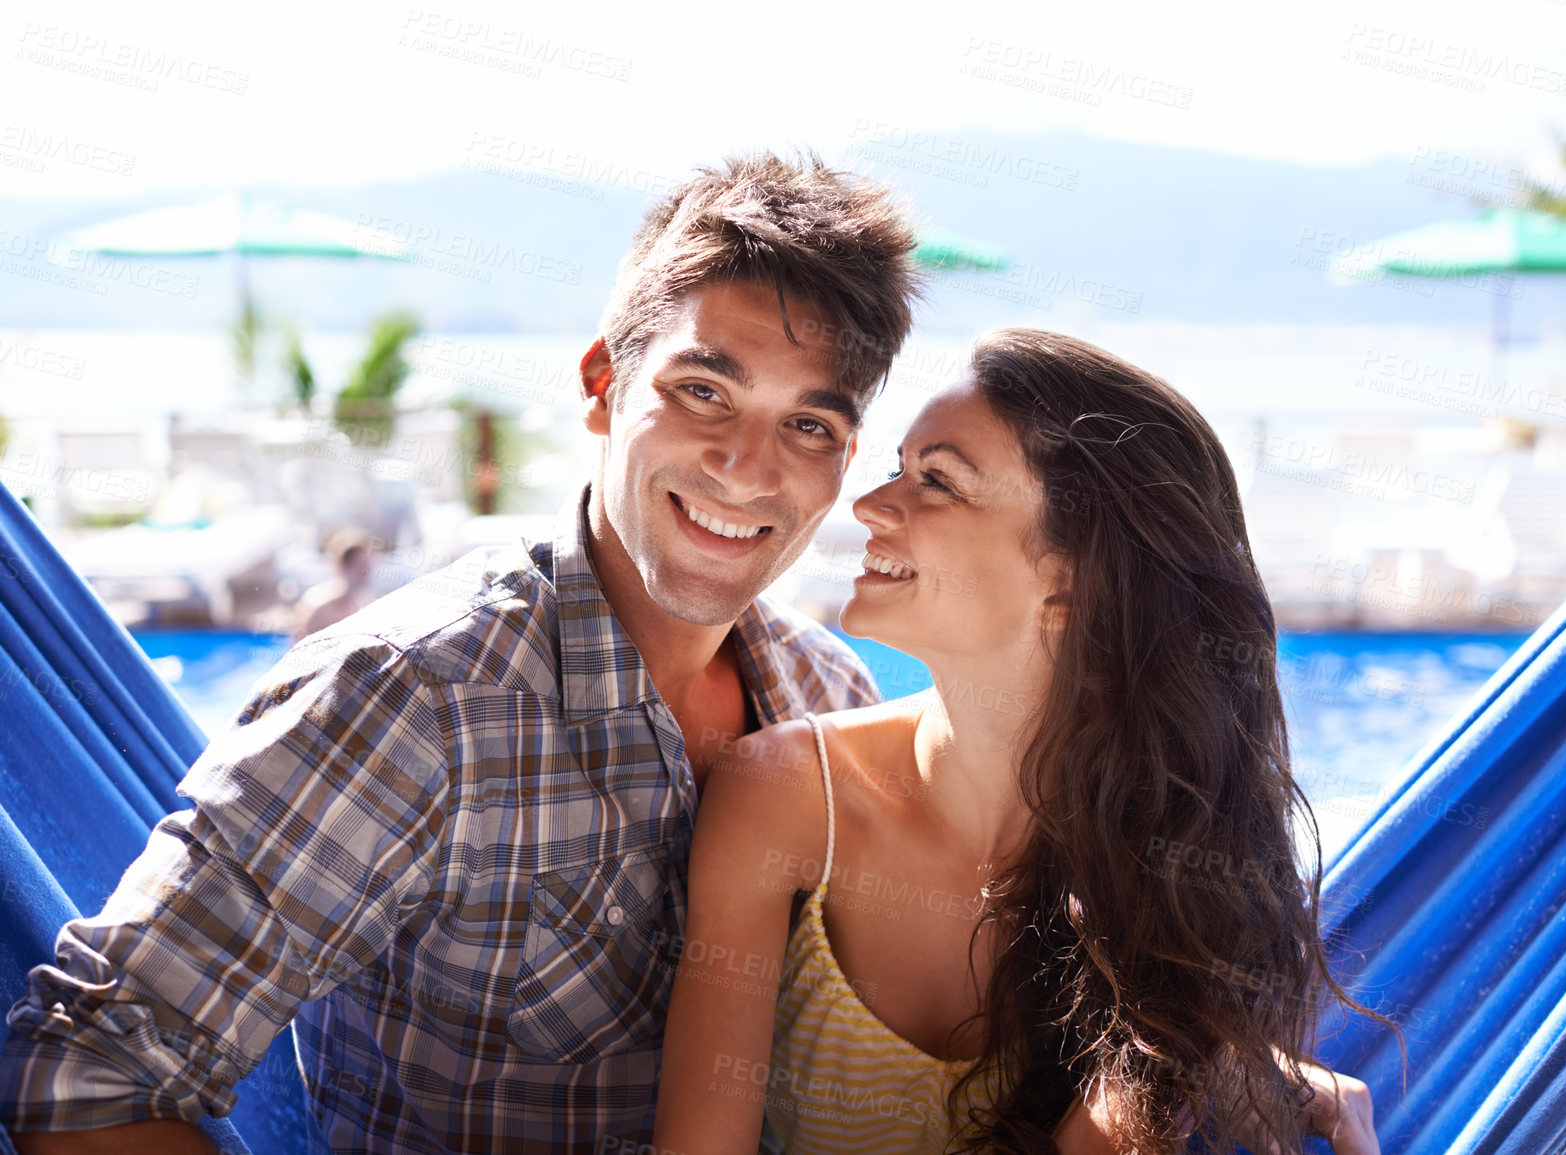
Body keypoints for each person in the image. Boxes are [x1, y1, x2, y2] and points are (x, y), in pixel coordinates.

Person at [0, 151, 923, 1154]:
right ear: (602, 386)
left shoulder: (830, 694)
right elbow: (89, 1072)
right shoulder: (411, 698)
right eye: (705, 391)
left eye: (809, 423)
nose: (748, 469)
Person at [652, 329, 1390, 1155]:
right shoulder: (786, 797)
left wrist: (1210, 1058)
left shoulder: (1160, 868)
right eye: (899, 466)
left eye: (937, 482)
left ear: (1071, 583)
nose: (869, 505)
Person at [293, 526, 377, 640]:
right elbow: (296, 649)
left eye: (368, 566)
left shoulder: (365, 602)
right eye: (360, 566)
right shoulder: (318, 604)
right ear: (342, 565)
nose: (366, 573)